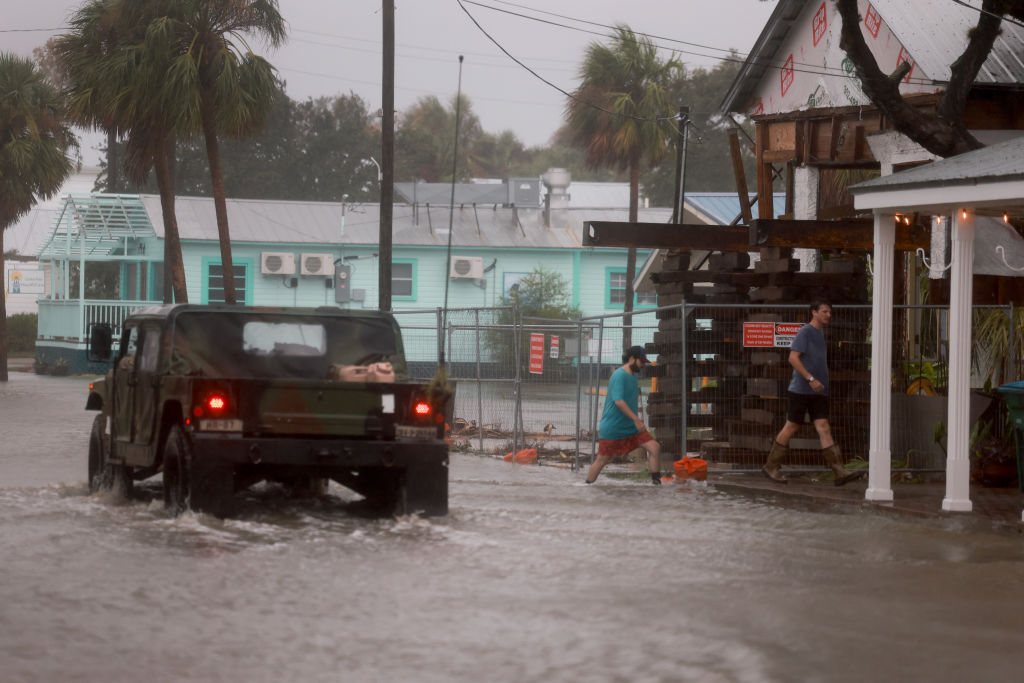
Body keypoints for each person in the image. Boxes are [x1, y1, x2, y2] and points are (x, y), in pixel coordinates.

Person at [762, 299, 863, 487]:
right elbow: (793, 358)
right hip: (801, 390)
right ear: (814, 312)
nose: (828, 315)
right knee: (791, 426)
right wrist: (810, 379)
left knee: (823, 426)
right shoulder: (805, 332)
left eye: (829, 312)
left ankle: (838, 471)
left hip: (819, 391)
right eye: (824, 311)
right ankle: (771, 466)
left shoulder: (820, 333)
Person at [586, 345, 662, 485]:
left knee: (654, 447)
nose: (643, 365)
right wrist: (637, 420)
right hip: (613, 427)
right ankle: (586, 486)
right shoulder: (619, 375)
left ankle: (656, 485)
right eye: (641, 362)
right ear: (632, 359)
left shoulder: (633, 376)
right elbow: (619, 401)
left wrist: (634, 422)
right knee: (603, 460)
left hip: (630, 427)